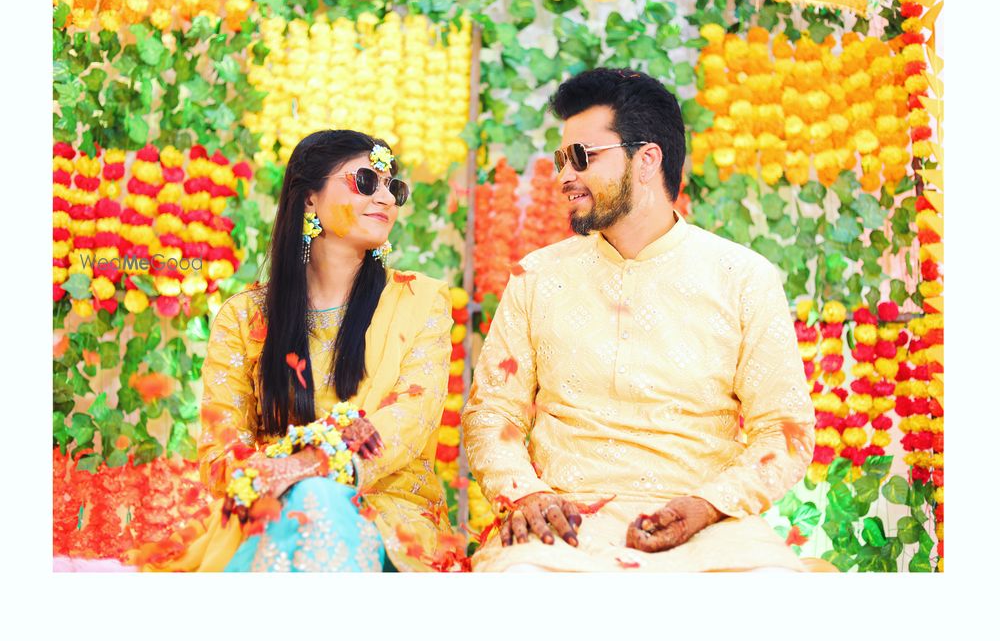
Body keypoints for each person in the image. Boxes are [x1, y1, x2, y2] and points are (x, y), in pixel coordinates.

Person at [462, 69, 816, 572]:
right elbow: (492, 413)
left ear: (647, 159)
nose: (564, 177)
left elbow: (783, 428)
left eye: (581, 157)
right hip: (563, 524)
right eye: (562, 160)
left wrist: (709, 504)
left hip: (710, 525)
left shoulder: (742, 277)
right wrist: (526, 495)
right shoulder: (538, 277)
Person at [129, 130, 455, 572]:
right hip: (271, 504)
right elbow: (220, 453)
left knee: (317, 498)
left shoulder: (421, 303)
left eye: (392, 187)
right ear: (309, 200)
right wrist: (273, 477)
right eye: (365, 182)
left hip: (387, 518)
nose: (385, 198)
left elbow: (410, 420)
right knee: (303, 504)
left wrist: (309, 466)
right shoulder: (244, 318)